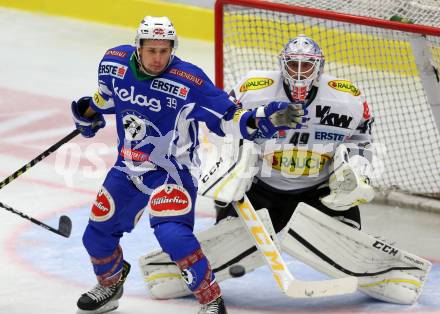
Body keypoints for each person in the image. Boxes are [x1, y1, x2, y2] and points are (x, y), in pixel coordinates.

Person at [71, 16, 306, 314]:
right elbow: (106, 96)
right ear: (138, 48)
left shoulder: (189, 80)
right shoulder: (113, 63)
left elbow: (228, 116)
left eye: (164, 50)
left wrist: (262, 118)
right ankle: (110, 284)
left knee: (173, 235)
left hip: (172, 173)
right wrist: (87, 111)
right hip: (128, 168)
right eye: (151, 50)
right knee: (96, 235)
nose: (158, 58)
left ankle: (211, 300)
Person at [215, 34, 374, 233]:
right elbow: (223, 122)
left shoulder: (347, 99)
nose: (299, 73)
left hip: (318, 192)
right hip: (258, 187)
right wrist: (259, 122)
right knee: (225, 244)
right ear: (283, 65)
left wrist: (358, 169)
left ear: (318, 67)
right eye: (292, 64)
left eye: (306, 65)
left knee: (348, 248)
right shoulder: (254, 89)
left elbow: (361, 138)